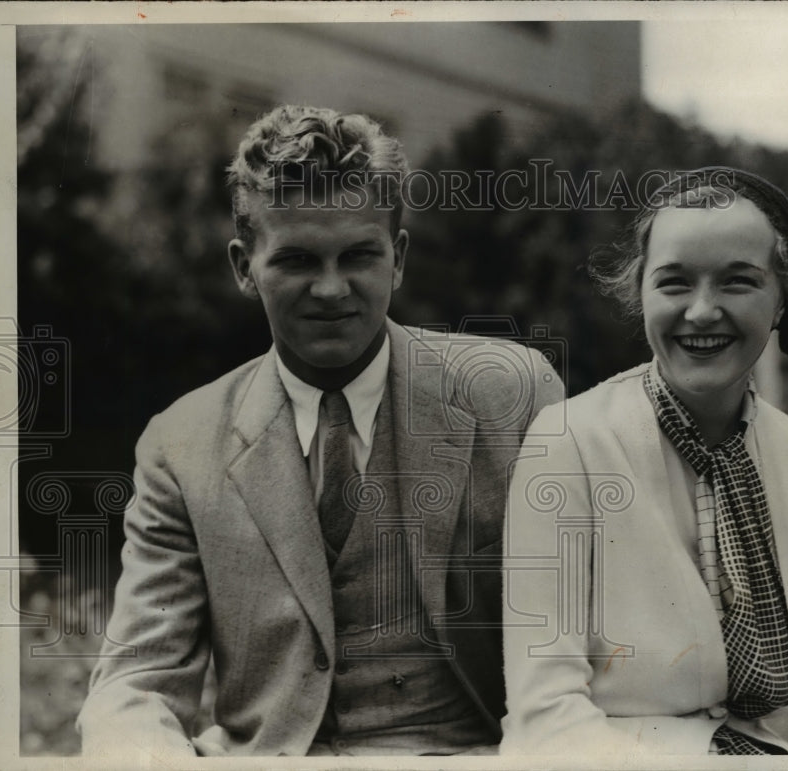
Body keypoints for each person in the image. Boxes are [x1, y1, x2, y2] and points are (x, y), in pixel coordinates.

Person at [77, 105, 563, 758]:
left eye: (359, 255)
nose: (331, 289)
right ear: (244, 267)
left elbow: (589, 636)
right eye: (299, 259)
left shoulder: (513, 394)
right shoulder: (181, 444)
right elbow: (136, 681)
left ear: (398, 257)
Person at [500, 168, 788, 758]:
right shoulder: (569, 442)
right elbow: (545, 714)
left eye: (738, 282)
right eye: (674, 283)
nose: (702, 312)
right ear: (640, 293)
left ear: (782, 299)